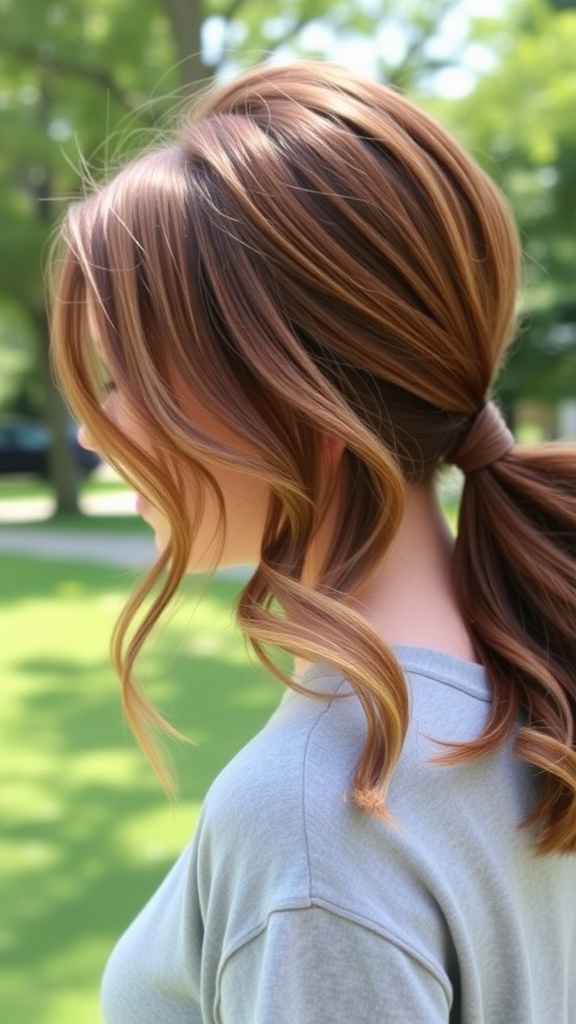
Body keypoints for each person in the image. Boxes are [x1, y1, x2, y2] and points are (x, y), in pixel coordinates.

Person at [50, 61, 576, 1024]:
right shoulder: (533, 681)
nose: (96, 430)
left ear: (299, 399)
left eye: (130, 379)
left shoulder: (319, 816)